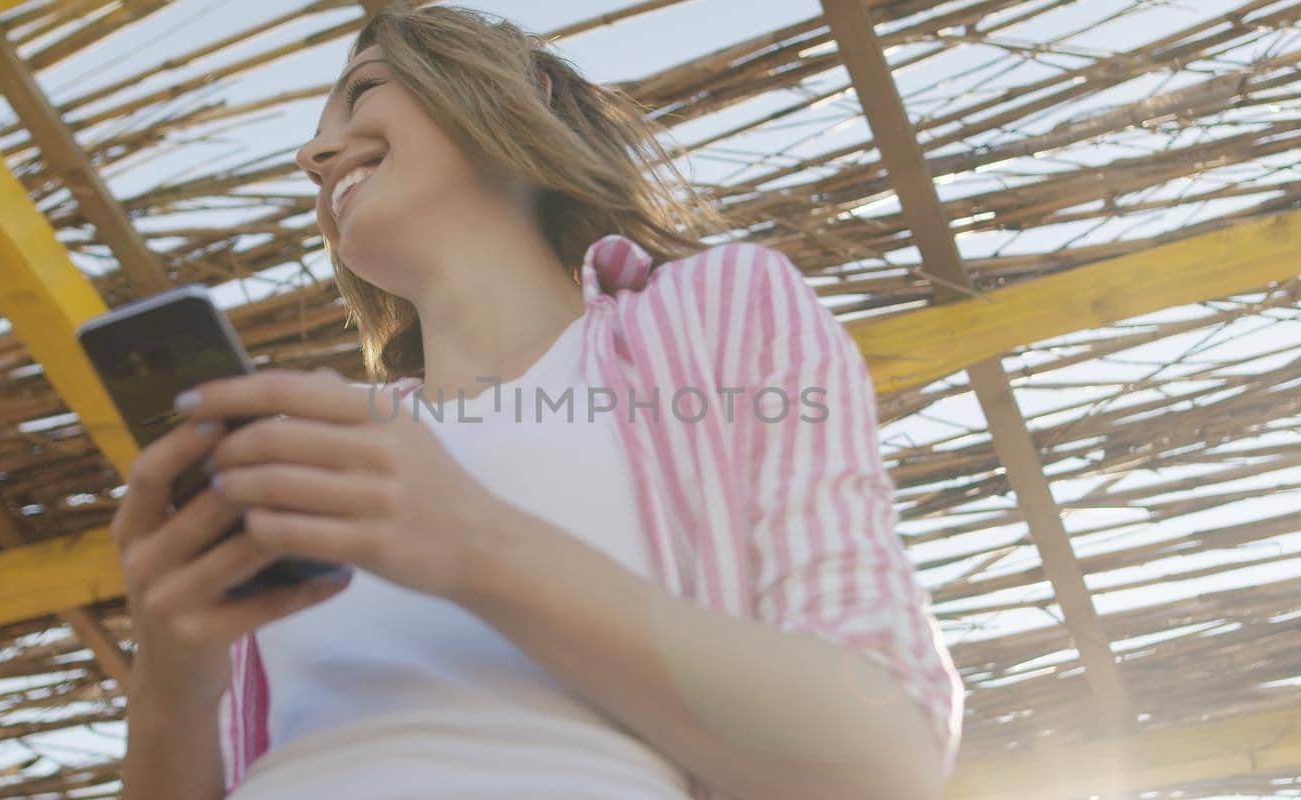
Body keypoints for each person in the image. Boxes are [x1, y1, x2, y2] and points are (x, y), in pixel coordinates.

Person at [110, 3, 963, 799]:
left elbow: (883, 758)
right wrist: (170, 686)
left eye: (365, 90)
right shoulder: (306, 454)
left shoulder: (714, 311)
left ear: (523, 96)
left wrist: (468, 540)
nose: (313, 157)